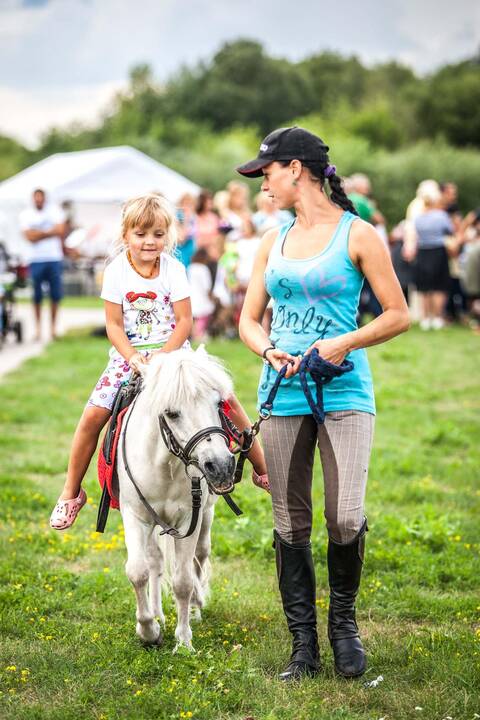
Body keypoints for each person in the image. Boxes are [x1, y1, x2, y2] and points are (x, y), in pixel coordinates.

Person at [237, 126, 410, 681]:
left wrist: (342, 341)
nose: (261, 183)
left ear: (295, 169)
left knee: (343, 515)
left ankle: (343, 626)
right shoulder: (272, 239)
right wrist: (267, 350)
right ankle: (303, 646)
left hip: (344, 389)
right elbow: (247, 318)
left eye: (266, 171)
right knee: (290, 521)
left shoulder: (358, 235)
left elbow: (397, 313)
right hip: (283, 390)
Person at [50, 194, 269, 530]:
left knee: (225, 399)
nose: (149, 242)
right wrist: (135, 357)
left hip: (175, 352)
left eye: (157, 234)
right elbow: (113, 325)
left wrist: (164, 357)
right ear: (126, 236)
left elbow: (184, 321)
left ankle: (262, 468)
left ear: (168, 235)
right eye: (140, 234)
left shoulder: (174, 269)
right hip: (130, 356)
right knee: (93, 416)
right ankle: (71, 492)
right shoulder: (116, 272)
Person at [19, 189, 66, 341]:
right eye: (36, 198)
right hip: (35, 259)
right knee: (37, 296)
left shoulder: (55, 211)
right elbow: (28, 236)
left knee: (55, 295)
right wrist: (49, 232)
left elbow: (60, 230)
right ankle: (38, 329)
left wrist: (38, 233)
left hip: (53, 258)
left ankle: (53, 328)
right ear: (33, 199)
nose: (38, 201)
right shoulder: (26, 214)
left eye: (41, 198)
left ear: (44, 199)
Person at [412, 182, 454, 330]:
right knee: (439, 286)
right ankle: (437, 317)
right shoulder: (441, 215)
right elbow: (450, 230)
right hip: (438, 251)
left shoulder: (418, 218)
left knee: (425, 287)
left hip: (423, 251)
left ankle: (425, 318)